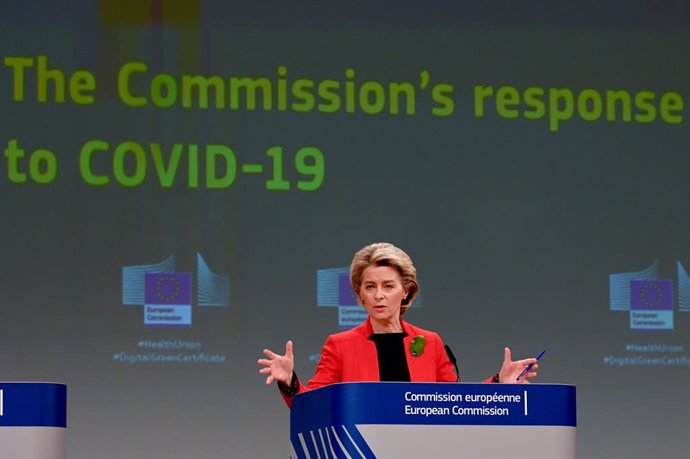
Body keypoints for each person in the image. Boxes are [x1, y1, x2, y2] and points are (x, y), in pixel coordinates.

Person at [258, 242, 538, 407]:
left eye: (388, 286)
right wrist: (289, 381)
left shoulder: (430, 343)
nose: (378, 295)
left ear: (406, 291)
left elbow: (457, 404)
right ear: (361, 294)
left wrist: (500, 383)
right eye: (370, 286)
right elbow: (312, 407)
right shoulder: (340, 345)